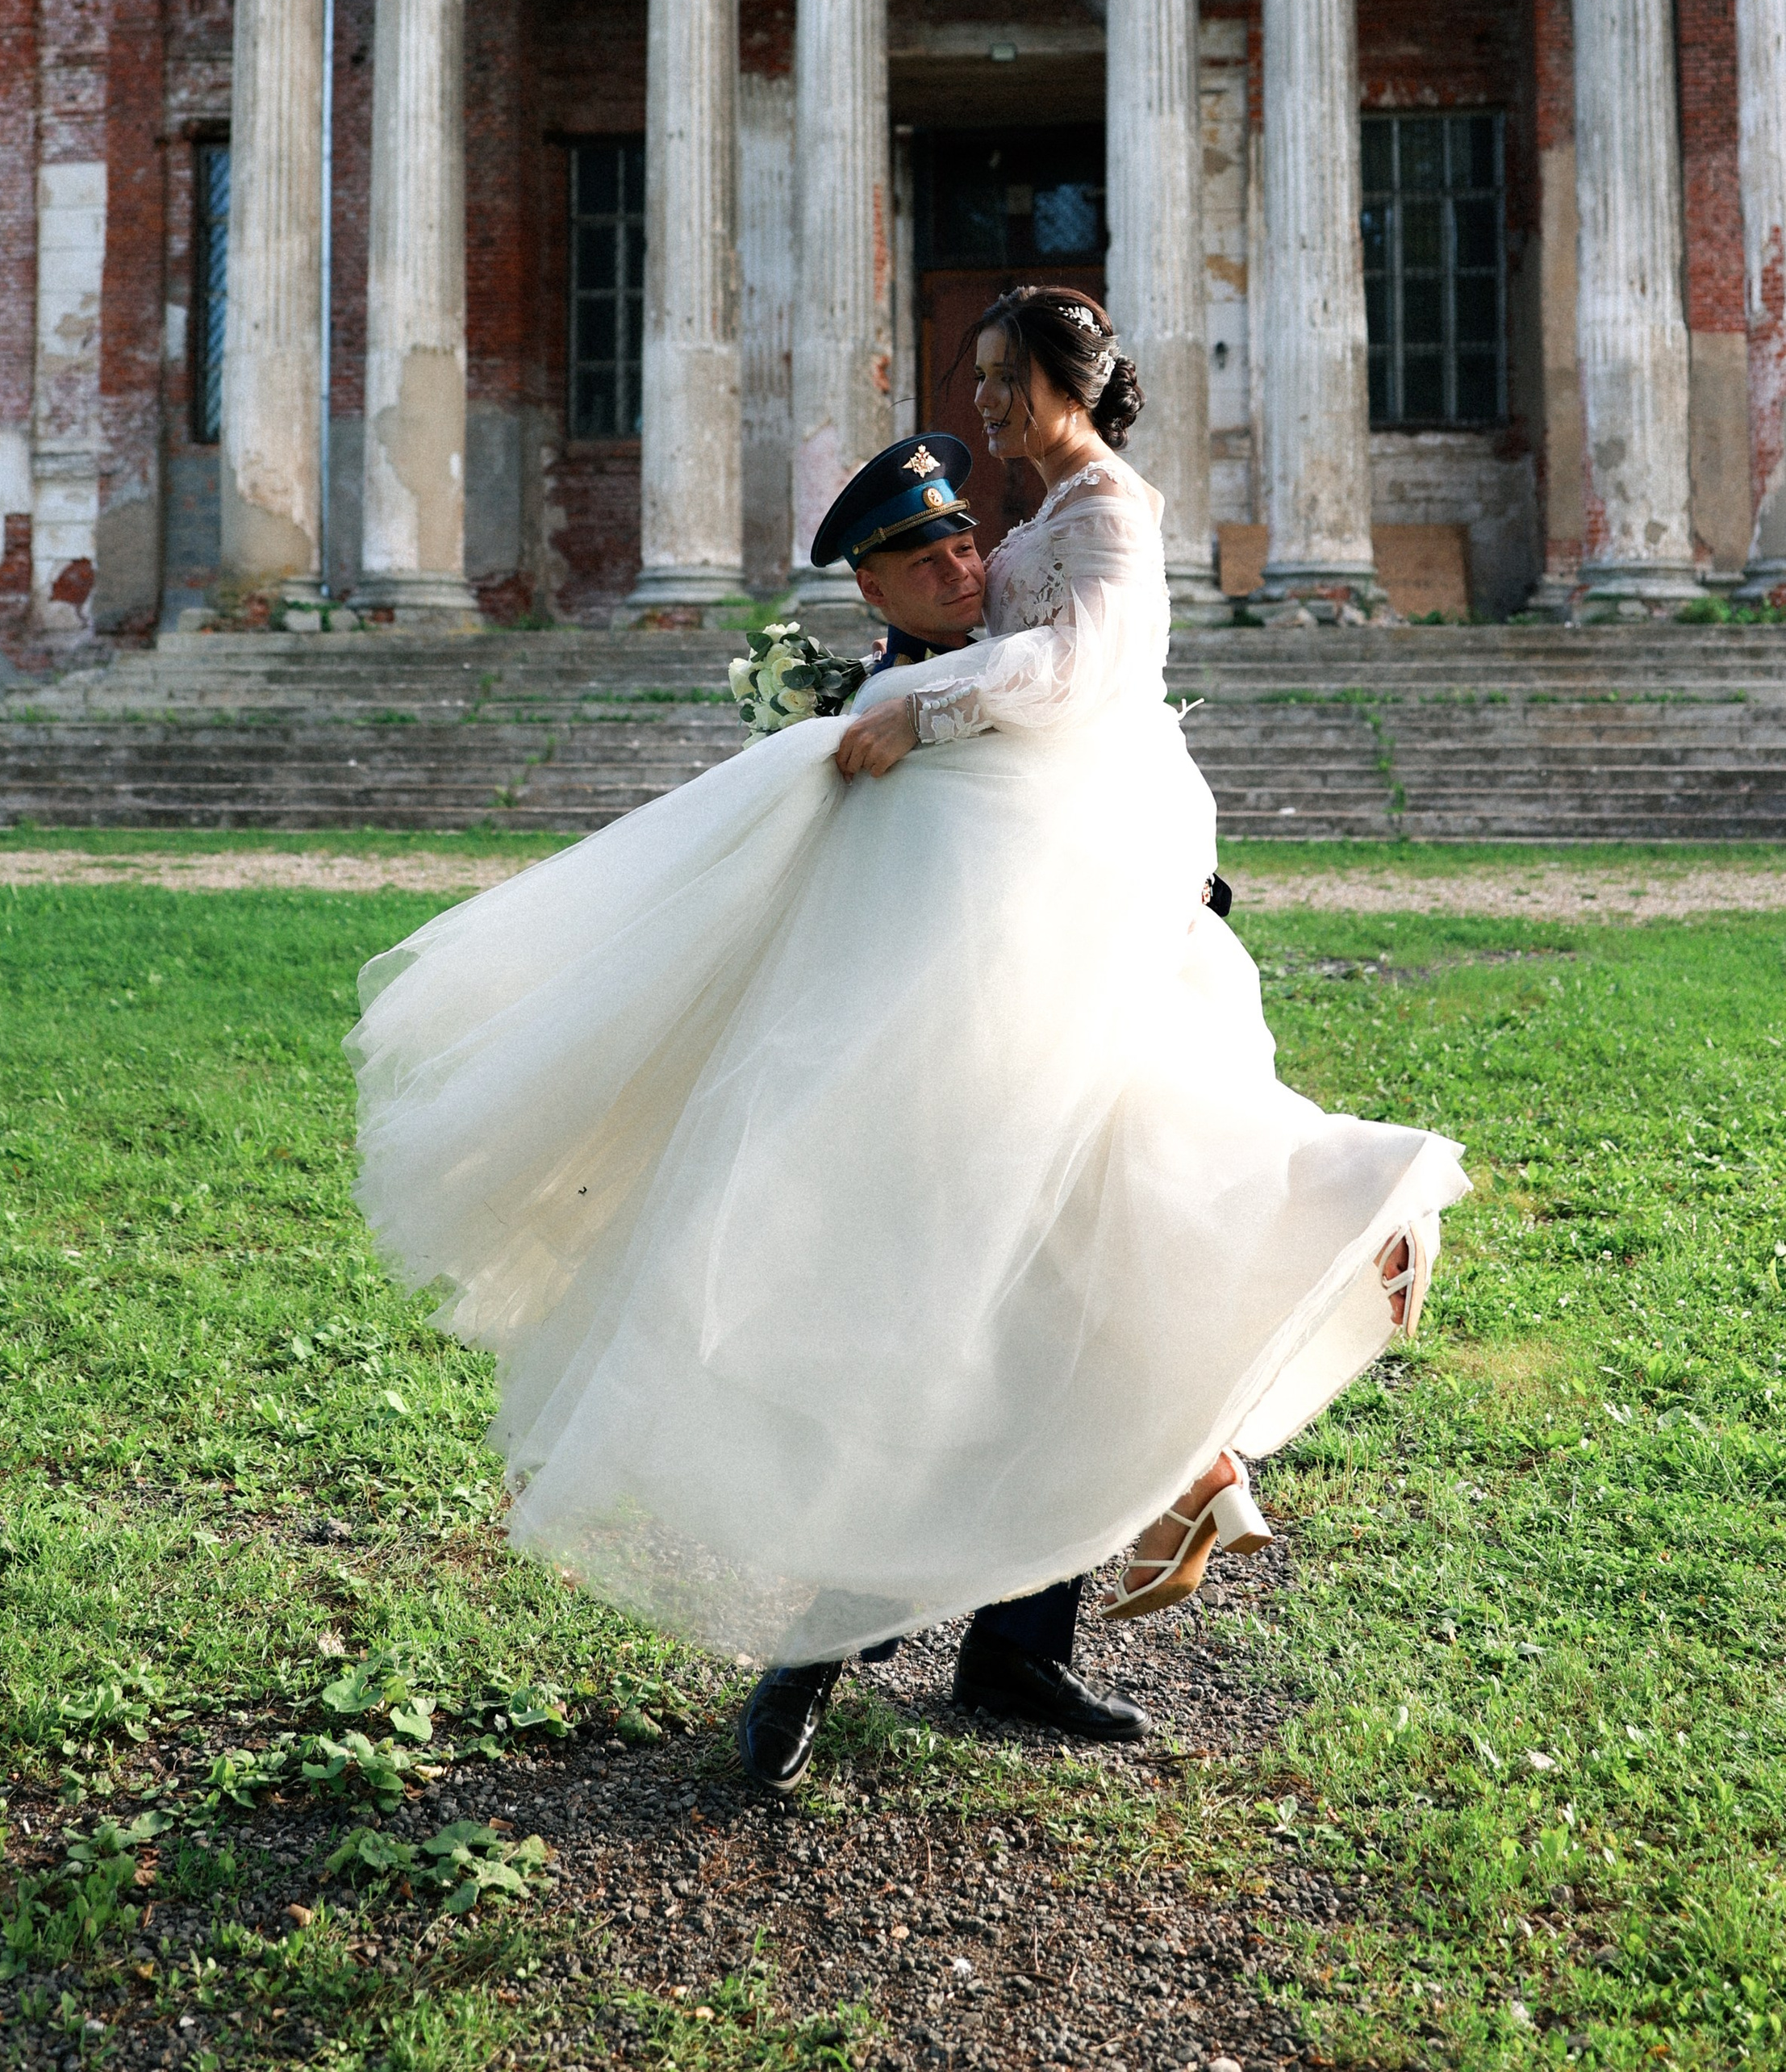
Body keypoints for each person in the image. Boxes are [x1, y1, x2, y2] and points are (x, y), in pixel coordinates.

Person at [343, 282, 1464, 1807]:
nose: (985, 404)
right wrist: (896, 686)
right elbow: (990, 654)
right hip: (973, 940)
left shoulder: (1114, 516)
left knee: (1073, 1239)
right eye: (980, 380)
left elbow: (1080, 685)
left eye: (1002, 379)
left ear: (1072, 378)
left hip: (1074, 925)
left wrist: (919, 705)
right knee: (934, 1255)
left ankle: (1019, 1636)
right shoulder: (1023, 528)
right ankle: (825, 1635)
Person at [736, 434, 1150, 1792]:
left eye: (969, 542)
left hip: (1056, 1045)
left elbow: (1095, 806)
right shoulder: (869, 718)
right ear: (872, 588)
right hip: (925, 1079)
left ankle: (1019, 1647)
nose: (964, 567)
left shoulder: (1017, 676)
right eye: (928, 559)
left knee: (1063, 1338)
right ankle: (816, 1653)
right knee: (916, 1362)